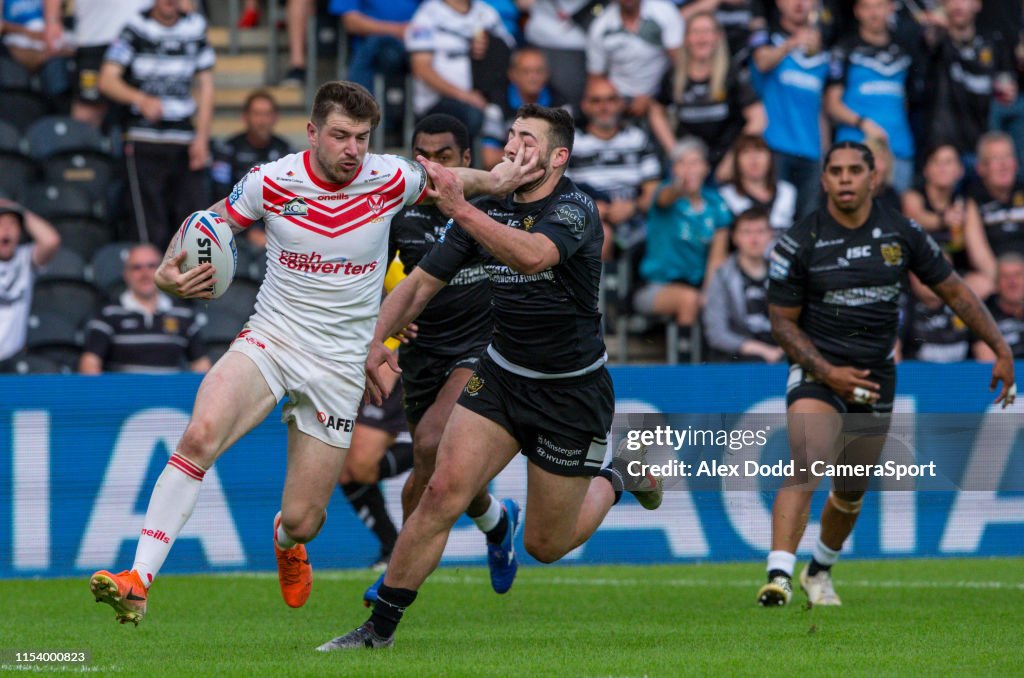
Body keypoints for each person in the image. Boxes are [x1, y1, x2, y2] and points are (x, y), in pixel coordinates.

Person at [86, 80, 541, 626]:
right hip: (272, 339)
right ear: (312, 132)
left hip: (339, 364)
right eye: (341, 136)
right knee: (200, 434)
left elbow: (451, 179)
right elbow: (208, 224)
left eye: (363, 138)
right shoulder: (271, 181)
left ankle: (285, 539)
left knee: (305, 520)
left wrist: (497, 178)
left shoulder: (390, 177)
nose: (353, 149)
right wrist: (168, 271)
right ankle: (138, 579)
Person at [316, 103, 663, 651]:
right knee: (440, 492)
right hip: (498, 376)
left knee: (547, 546)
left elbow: (531, 256)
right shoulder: (488, 207)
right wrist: (373, 341)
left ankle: (620, 475)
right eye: (511, 136)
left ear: (557, 157)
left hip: (569, 391)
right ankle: (376, 632)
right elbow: (420, 285)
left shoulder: (575, 208)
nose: (513, 146)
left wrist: (462, 205)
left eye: (527, 139)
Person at [758, 140, 1015, 608]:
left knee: (850, 489)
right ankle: (778, 575)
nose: (845, 179)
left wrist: (1000, 347)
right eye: (835, 171)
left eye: (855, 170)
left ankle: (819, 570)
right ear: (824, 180)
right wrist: (826, 370)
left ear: (873, 177)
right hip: (818, 367)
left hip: (875, 375)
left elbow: (955, 292)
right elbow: (781, 321)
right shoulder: (801, 241)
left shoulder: (902, 233)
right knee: (807, 459)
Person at [361, 113, 520, 605]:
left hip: (484, 348)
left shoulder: (492, 205)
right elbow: (366, 276)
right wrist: (383, 321)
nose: (430, 167)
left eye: (444, 157)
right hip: (423, 354)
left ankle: (396, 578)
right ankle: (497, 519)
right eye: (422, 157)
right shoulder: (396, 211)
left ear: (467, 162)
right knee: (446, 466)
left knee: (430, 442)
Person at [98, 0, 215, 248]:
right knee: (149, 230)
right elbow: (107, 79)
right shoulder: (135, 27)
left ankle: (187, 285)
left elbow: (206, 86)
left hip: (184, 139)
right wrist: (140, 99)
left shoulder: (195, 27)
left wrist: (202, 138)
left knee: (192, 229)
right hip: (144, 140)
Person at [648, 11, 765, 178]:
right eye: (696, 32)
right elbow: (656, 111)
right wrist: (675, 151)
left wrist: (733, 159)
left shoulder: (732, 74)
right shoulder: (674, 75)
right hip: (687, 167)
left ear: (717, 37)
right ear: (686, 39)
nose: (702, 39)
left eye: (707, 32)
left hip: (723, 165)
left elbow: (758, 119)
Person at [634, 137, 731, 330]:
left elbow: (717, 257)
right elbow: (665, 197)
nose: (689, 168)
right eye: (681, 163)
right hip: (656, 286)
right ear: (673, 169)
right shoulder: (665, 192)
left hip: (698, 285)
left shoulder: (716, 202)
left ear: (706, 168)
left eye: (695, 162)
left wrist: (709, 294)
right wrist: (680, 184)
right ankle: (684, 358)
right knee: (689, 299)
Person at [824, 0, 917, 194]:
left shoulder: (904, 50)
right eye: (867, 6)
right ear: (857, 11)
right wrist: (864, 124)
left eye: (879, 5)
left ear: (891, 8)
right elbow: (831, 104)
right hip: (854, 150)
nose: (874, 13)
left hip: (899, 148)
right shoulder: (844, 48)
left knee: (896, 220)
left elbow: (908, 100)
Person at [749, 0, 830, 220]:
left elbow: (820, 108)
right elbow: (762, 63)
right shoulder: (767, 37)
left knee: (808, 224)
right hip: (775, 147)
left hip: (811, 152)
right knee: (775, 219)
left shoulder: (823, 52)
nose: (799, 3)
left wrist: (825, 155)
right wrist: (792, 43)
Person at [78, 244, 211, 375]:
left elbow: (201, 364)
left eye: (152, 266)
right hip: (123, 395)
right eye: (137, 268)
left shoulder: (183, 314)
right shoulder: (108, 314)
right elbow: (89, 364)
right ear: (125, 274)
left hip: (171, 395)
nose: (145, 273)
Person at [568, 77, 661, 261]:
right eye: (596, 101)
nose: (604, 107)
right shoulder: (571, 143)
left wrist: (632, 207)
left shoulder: (638, 138)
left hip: (635, 219)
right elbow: (557, 191)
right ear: (585, 105)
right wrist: (587, 208)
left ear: (620, 104)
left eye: (611, 100)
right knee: (600, 234)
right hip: (586, 219)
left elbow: (654, 191)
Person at [405, 0, 516, 137]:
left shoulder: (486, 12)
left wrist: (490, 42)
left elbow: (510, 53)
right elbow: (421, 69)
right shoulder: (428, 14)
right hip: (437, 102)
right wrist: (466, 96)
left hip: (485, 95)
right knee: (472, 115)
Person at [902, 143, 995, 298]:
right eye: (936, 162)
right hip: (921, 276)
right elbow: (918, 218)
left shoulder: (965, 204)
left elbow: (980, 250)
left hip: (956, 277)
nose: (942, 168)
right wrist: (943, 220)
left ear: (960, 171)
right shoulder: (913, 197)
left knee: (985, 284)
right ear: (926, 170)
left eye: (948, 162)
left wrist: (996, 279)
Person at [43, 0, 152, 128]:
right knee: (87, 113)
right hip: (95, 38)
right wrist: (52, 20)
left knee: (150, 108)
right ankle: (81, 147)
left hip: (145, 38)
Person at [702, 207, 784, 362]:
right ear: (735, 237)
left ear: (771, 235)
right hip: (741, 355)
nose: (754, 239)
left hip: (781, 349)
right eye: (747, 232)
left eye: (760, 231)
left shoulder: (784, 274)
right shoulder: (722, 276)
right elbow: (716, 333)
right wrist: (763, 351)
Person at [585, 0, 684, 118]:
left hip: (660, 92)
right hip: (618, 97)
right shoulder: (600, 26)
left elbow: (680, 63)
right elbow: (596, 77)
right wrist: (613, 102)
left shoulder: (664, 12)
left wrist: (654, 95)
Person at [0, 199, 60, 364]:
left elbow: (51, 240)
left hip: (13, 360)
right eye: (0, 223)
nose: (6, 229)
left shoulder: (25, 258)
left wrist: (16, 208)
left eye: (12, 223)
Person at [718, 133, 798, 234]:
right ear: (736, 161)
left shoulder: (788, 191)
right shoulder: (725, 196)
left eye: (759, 151)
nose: (754, 159)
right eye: (746, 152)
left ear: (770, 158)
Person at [969, 131, 1024, 258]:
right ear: (980, 168)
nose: (1003, 165)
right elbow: (977, 249)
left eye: (1007, 157)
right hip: (992, 273)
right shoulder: (973, 199)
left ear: (1016, 164)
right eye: (995, 158)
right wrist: (999, 276)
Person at [973, 253, 1024, 361]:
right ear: (996, 283)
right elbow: (988, 363)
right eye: (1006, 276)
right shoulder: (982, 314)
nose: (1013, 282)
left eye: (1018, 275)